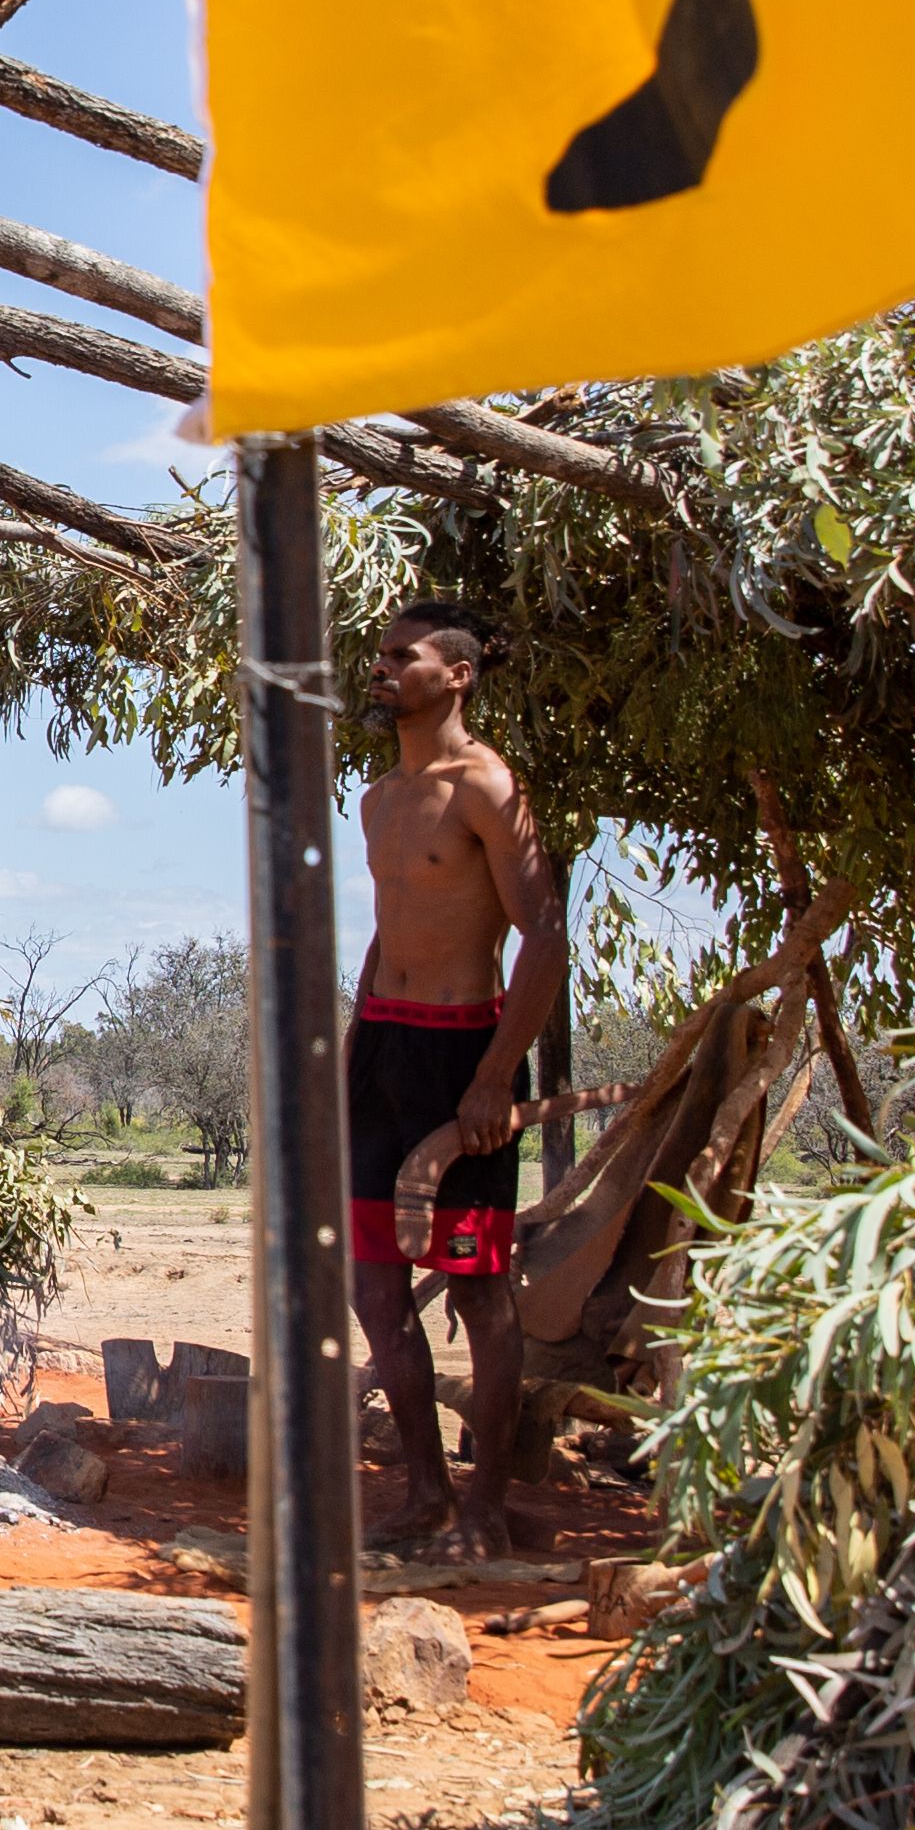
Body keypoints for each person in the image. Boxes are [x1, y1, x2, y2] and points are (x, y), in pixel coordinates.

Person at [347, 601, 559, 1552]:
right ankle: (427, 1493)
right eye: (381, 656)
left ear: (458, 674)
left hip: (459, 1051)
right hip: (384, 1051)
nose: (383, 668)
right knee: (374, 1286)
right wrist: (351, 1049)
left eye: (405, 656)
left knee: (476, 1287)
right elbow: (388, 934)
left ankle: (486, 1506)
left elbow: (544, 940)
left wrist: (496, 1077)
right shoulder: (381, 798)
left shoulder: (487, 785)